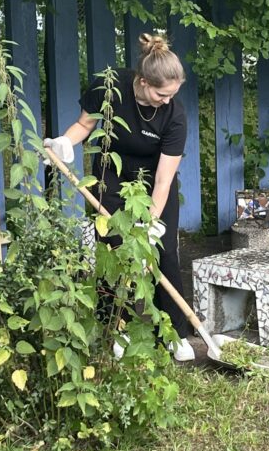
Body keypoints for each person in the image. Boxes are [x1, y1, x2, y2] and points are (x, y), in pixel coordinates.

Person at [44, 32, 194, 362]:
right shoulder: (109, 88)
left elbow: (164, 179)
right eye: (161, 93)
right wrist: (65, 142)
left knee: (163, 253)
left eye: (172, 94)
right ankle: (117, 327)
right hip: (110, 175)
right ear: (142, 81)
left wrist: (150, 223)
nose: (166, 100)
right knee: (111, 250)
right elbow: (85, 124)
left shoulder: (174, 115)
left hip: (153, 182)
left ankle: (174, 332)